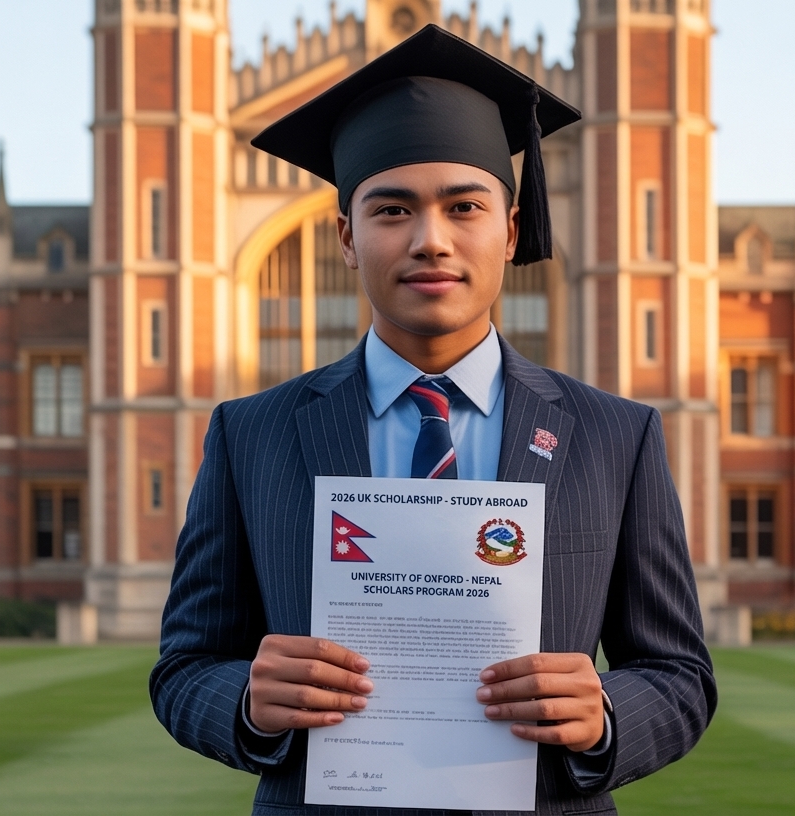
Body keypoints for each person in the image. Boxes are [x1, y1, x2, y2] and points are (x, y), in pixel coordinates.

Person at [150, 25, 715, 815]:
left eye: (464, 206)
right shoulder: (253, 435)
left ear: (511, 230)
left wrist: (607, 715)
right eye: (391, 210)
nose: (430, 240)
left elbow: (679, 677)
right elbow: (184, 669)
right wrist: (245, 699)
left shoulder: (616, 436)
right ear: (346, 236)